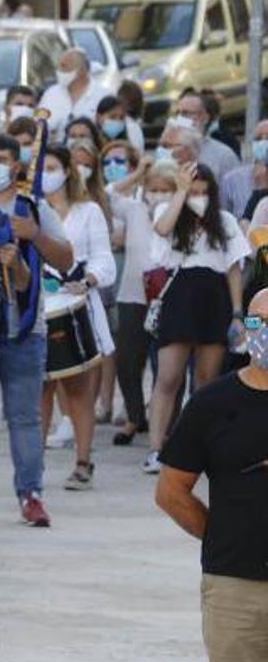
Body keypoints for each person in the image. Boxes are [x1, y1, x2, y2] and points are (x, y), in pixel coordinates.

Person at [155, 288, 268, 662]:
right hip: (235, 585)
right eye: (261, 321)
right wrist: (221, 538)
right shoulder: (214, 402)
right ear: (247, 328)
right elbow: (171, 490)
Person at [0, 136, 74, 548]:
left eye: (0, 159)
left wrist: (34, 235)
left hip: (26, 330)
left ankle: (31, 493)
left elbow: (65, 258)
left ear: (15, 165)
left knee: (25, 419)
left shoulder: (33, 207)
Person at [144, 162, 251, 475]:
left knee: (205, 380)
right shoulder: (171, 210)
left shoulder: (225, 220)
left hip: (214, 297)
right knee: (168, 377)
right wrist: (180, 192)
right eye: (194, 191)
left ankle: (198, 447)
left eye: (204, 192)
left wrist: (236, 312)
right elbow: (162, 229)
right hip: (181, 294)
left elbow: (233, 267)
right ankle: (155, 448)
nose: (198, 197)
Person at [36, 144, 115, 491]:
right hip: (37, 308)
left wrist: (86, 281)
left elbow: (104, 261)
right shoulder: (30, 209)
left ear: (67, 170)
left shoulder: (88, 211)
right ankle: (32, 467)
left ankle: (83, 461)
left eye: (53, 166)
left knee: (79, 389)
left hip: (75, 306)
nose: (47, 173)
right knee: (38, 390)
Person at [101, 141, 155, 448]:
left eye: (164, 187)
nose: (156, 192)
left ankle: (165, 423)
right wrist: (138, 174)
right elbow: (108, 195)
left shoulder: (181, 210)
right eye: (153, 187)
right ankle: (136, 415)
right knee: (126, 362)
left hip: (165, 297)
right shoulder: (134, 208)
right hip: (133, 295)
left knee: (163, 366)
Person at [171, 91, 243, 181]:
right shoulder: (166, 152)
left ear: (205, 118)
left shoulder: (224, 156)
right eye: (178, 113)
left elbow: (236, 191)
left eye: (186, 113)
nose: (180, 118)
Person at [38, 48, 111, 124]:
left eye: (64, 66)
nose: (59, 71)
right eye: (58, 66)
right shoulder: (50, 94)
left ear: (82, 70)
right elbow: (37, 124)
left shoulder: (103, 95)